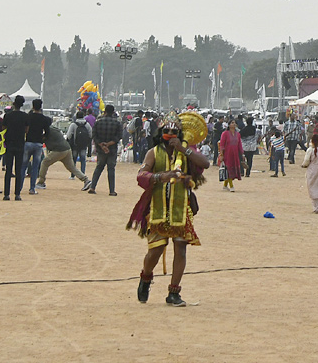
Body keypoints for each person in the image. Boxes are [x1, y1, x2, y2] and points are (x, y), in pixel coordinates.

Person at [127, 117, 210, 306]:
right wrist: (161, 176)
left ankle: (173, 292)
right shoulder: (153, 153)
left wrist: (183, 150)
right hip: (158, 208)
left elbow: (205, 164)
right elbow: (141, 175)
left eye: (175, 133)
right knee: (155, 251)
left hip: (182, 208)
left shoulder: (187, 152)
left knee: (180, 249)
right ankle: (146, 278)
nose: (171, 135)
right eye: (168, 132)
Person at [37, 121, 89, 187]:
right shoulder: (54, 129)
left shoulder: (47, 131)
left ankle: (41, 182)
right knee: (72, 168)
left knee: (45, 162)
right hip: (67, 149)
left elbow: (42, 139)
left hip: (59, 150)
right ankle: (86, 180)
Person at [86, 105, 123, 195]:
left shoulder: (98, 122)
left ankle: (92, 187)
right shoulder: (117, 123)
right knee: (111, 169)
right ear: (113, 112)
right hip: (112, 149)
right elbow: (118, 137)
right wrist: (108, 144)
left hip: (101, 150)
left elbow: (94, 135)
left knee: (98, 168)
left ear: (105, 112)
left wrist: (102, 145)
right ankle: (111, 190)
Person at [0, 96, 30, 201]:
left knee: (8, 169)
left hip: (9, 143)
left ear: (13, 103)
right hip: (20, 144)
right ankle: (17, 194)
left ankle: (6, 194)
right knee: (19, 170)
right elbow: (26, 130)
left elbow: (3, 128)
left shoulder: (8, 116)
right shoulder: (25, 116)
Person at [23, 100, 52, 194]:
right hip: (38, 144)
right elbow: (47, 132)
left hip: (28, 142)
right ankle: (32, 188)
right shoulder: (44, 119)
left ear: (32, 106)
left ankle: (19, 187)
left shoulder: (28, 117)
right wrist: (42, 138)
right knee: (35, 167)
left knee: (23, 166)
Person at [216, 119, 244, 192]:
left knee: (232, 169)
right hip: (227, 154)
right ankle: (231, 186)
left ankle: (225, 185)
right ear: (229, 125)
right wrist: (221, 154)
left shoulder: (238, 134)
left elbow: (239, 144)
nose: (234, 124)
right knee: (228, 169)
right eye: (232, 123)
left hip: (235, 154)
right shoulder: (225, 133)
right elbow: (222, 144)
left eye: (235, 123)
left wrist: (242, 153)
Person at [67, 110, 92, 175]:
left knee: (74, 160)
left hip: (75, 145)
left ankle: (73, 174)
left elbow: (69, 135)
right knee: (83, 159)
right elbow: (90, 134)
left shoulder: (73, 124)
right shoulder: (87, 124)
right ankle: (82, 174)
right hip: (84, 145)